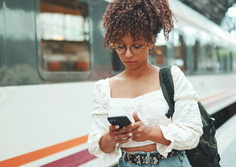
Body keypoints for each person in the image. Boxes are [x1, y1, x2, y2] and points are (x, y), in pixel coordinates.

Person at [87, 0, 203, 166]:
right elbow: (98, 145)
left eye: (136, 46)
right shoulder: (104, 88)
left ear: (150, 42)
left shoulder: (172, 77)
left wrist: (150, 133)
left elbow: (192, 133)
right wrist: (112, 137)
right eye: (120, 46)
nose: (127, 54)